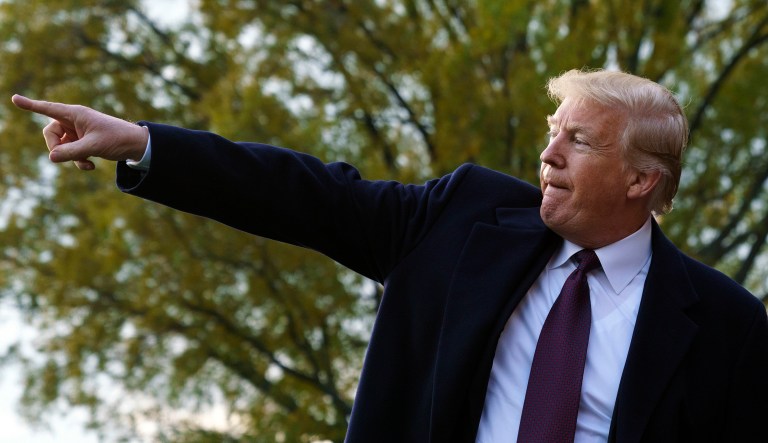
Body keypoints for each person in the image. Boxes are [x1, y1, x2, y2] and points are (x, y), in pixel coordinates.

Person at [11, 69, 768, 443]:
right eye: (551, 131)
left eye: (579, 141)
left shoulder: (727, 326)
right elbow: (307, 195)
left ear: (641, 179)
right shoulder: (464, 217)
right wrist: (145, 144)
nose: (547, 155)